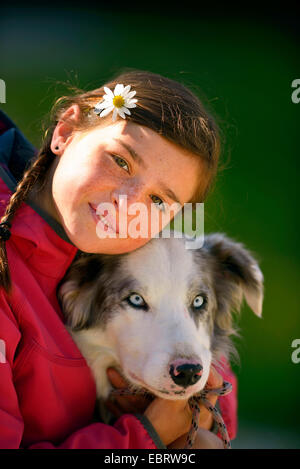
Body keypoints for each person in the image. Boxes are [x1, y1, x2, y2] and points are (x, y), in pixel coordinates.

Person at [0, 69, 237, 449]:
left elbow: (206, 379)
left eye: (158, 200)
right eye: (121, 162)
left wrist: (178, 402)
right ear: (65, 132)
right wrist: (145, 435)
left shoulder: (118, 249)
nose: (127, 206)